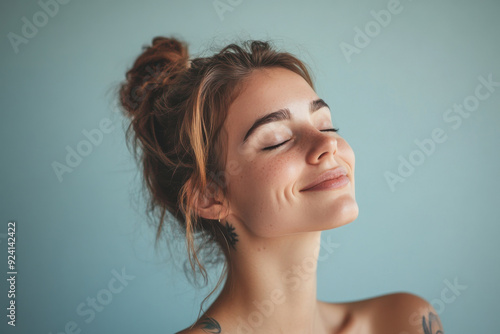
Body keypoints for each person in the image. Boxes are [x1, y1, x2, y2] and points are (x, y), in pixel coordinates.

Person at [117, 36, 444, 334]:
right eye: (277, 140)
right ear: (209, 195)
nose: (327, 145)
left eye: (326, 126)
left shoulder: (404, 322)